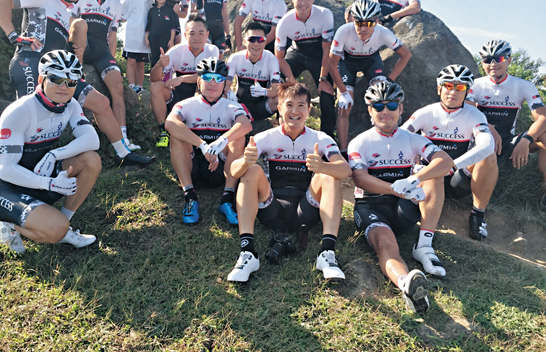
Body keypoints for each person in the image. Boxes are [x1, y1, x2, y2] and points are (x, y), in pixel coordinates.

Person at [0, 0, 153, 167]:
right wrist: (14, 36)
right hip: (30, 62)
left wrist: (76, 52)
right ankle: (2, 163)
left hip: (58, 72)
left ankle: (123, 153)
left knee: (102, 103)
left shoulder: (68, 16)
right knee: (27, 117)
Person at [0, 51, 101, 254]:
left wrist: (54, 155)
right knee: (55, 230)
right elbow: (6, 169)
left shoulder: (70, 105)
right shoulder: (20, 111)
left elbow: (92, 140)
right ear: (41, 79)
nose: (64, 86)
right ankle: (8, 223)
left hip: (37, 173)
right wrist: (49, 183)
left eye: (71, 81)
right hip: (4, 186)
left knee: (91, 160)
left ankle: (63, 223)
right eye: (56, 79)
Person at [226, 81, 349, 283]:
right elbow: (233, 171)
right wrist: (245, 161)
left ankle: (327, 254)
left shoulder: (321, 138)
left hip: (305, 212)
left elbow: (345, 170)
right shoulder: (265, 137)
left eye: (301, 105)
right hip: (271, 209)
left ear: (309, 110)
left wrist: (322, 167)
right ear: (279, 108)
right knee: (251, 170)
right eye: (289, 105)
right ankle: (248, 253)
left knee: (329, 175)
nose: (295, 111)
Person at [347, 81, 454, 314]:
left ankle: (424, 245)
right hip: (371, 206)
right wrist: (395, 188)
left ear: (401, 109)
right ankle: (406, 284)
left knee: (434, 175)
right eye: (379, 106)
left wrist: (413, 180)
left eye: (392, 105)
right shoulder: (360, 142)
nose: (385, 111)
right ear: (370, 110)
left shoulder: (411, 138)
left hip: (402, 206)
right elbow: (360, 178)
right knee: (385, 243)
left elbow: (445, 162)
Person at [401, 65, 496, 278]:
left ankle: (477, 215)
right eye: (448, 86)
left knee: (489, 156)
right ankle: (424, 244)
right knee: (433, 169)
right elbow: (399, 137)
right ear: (439, 89)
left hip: (456, 178)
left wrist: (452, 165)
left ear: (467, 92)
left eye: (460, 87)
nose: (453, 91)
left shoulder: (475, 115)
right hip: (428, 176)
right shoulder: (426, 112)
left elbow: (487, 144)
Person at [165, 58, 252, 225]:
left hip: (220, 169)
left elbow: (246, 125)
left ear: (224, 84)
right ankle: (190, 197)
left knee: (239, 136)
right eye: (207, 78)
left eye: (218, 78)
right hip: (193, 166)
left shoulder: (232, 106)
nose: (213, 83)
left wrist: (220, 142)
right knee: (176, 135)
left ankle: (227, 198)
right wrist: (203, 145)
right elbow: (170, 123)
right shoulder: (185, 105)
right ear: (199, 81)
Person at [328, 0, 411, 152]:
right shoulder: (344, 31)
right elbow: (332, 65)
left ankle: (383, 144)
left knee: (382, 98)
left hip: (371, 62)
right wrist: (343, 93)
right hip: (347, 63)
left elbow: (406, 55)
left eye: (369, 23)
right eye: (359, 23)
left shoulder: (383, 32)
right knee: (344, 107)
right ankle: (344, 152)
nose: (363, 28)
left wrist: (389, 80)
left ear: (377, 21)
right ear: (353, 20)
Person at [76, 0, 137, 150]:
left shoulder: (116, 4)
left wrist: (112, 62)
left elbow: (112, 35)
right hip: (81, 47)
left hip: (101, 51)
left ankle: (123, 138)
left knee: (117, 86)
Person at [467, 40, 546, 184]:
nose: (493, 64)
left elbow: (543, 118)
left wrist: (526, 140)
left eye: (499, 58)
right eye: (488, 60)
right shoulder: (474, 85)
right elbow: (467, 114)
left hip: (509, 141)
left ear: (509, 60)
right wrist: (488, 128)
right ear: (482, 63)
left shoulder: (524, 85)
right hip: (481, 139)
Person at [275, 0, 336, 137]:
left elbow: (327, 50)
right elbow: (279, 57)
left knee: (327, 93)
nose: (303, 3)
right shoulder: (284, 22)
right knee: (281, 84)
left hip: (319, 53)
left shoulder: (325, 15)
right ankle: (282, 129)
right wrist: (291, 80)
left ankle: (327, 137)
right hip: (297, 51)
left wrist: (323, 79)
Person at [150, 15, 222, 148]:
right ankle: (163, 131)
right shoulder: (176, 50)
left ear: (207, 35)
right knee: (156, 87)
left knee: (207, 84)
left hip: (200, 97)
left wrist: (182, 78)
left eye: (201, 33)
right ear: (185, 35)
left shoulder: (212, 50)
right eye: (192, 33)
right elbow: (153, 79)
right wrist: (159, 65)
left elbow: (208, 75)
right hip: (177, 96)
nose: (196, 37)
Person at [226, 21, 281, 121]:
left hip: (261, 106)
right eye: (251, 39)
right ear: (245, 41)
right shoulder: (235, 58)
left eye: (260, 40)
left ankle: (283, 127)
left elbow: (277, 89)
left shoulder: (271, 59)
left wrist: (264, 91)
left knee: (281, 99)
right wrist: (229, 92)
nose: (256, 44)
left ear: (265, 41)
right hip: (239, 104)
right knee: (219, 93)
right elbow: (225, 85)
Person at [121, 0, 153, 95]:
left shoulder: (151, 1)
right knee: (131, 61)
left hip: (144, 37)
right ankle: (131, 85)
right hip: (132, 36)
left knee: (141, 64)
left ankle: (139, 86)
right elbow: (123, 17)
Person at [145, 0, 180, 67]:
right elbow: (148, 25)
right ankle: (154, 75)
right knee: (154, 60)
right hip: (153, 39)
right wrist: (146, 38)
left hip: (166, 40)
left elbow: (173, 26)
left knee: (166, 60)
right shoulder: (152, 10)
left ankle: (166, 75)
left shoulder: (170, 10)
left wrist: (171, 40)